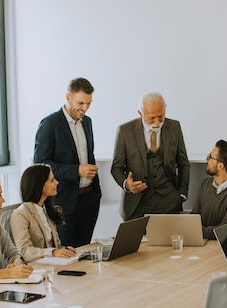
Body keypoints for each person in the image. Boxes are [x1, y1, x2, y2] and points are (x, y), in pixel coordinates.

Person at [34, 77, 101, 247]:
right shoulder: (50, 124)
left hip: (89, 198)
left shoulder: (88, 122)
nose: (85, 108)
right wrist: (76, 170)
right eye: (81, 103)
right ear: (68, 97)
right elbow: (41, 164)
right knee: (67, 255)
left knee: (85, 253)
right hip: (64, 201)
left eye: (89, 103)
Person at [111, 92, 190, 220]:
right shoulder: (125, 131)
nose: (157, 122)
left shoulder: (174, 127)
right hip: (137, 204)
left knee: (168, 240)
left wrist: (182, 193)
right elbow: (116, 168)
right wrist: (127, 184)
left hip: (169, 202)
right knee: (136, 240)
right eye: (151, 118)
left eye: (161, 116)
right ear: (140, 113)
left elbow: (183, 163)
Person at [10, 163, 77, 262]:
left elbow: (55, 246)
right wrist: (53, 252)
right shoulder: (20, 214)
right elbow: (25, 251)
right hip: (34, 269)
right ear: (39, 185)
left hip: (51, 266)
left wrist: (64, 250)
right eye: (52, 180)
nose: (57, 182)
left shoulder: (47, 209)